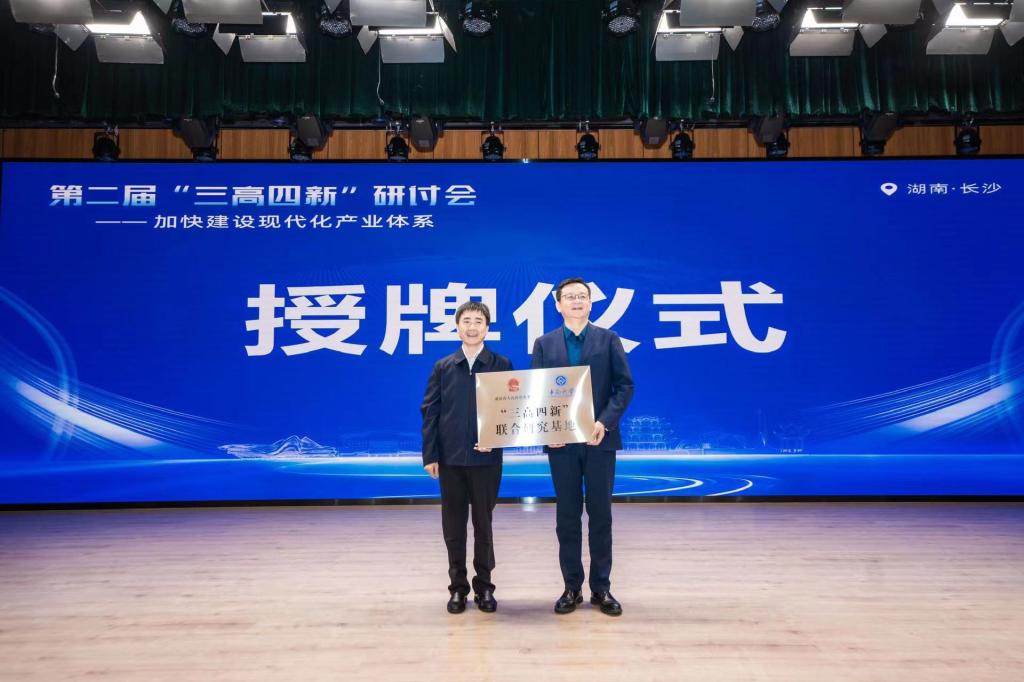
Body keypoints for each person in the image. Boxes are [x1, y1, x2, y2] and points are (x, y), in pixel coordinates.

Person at [531, 277, 634, 616]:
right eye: (570, 297)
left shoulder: (608, 339)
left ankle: (601, 588)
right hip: (561, 444)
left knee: (601, 515)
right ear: (558, 304)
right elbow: (536, 392)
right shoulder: (544, 344)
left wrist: (604, 422)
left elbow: (624, 386)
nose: (576, 301)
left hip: (599, 440)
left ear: (590, 303)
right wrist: (548, 430)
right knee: (567, 516)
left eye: (582, 296)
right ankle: (571, 587)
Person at [421, 301, 513, 614]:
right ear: (458, 327)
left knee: (484, 526)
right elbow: (430, 412)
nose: (472, 327)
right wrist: (431, 454)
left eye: (478, 321)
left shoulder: (501, 364)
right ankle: (457, 589)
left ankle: (485, 587)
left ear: (487, 328)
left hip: (487, 461)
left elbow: (512, 410)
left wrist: (496, 441)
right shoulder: (444, 367)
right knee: (454, 528)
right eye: (467, 321)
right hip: (450, 461)